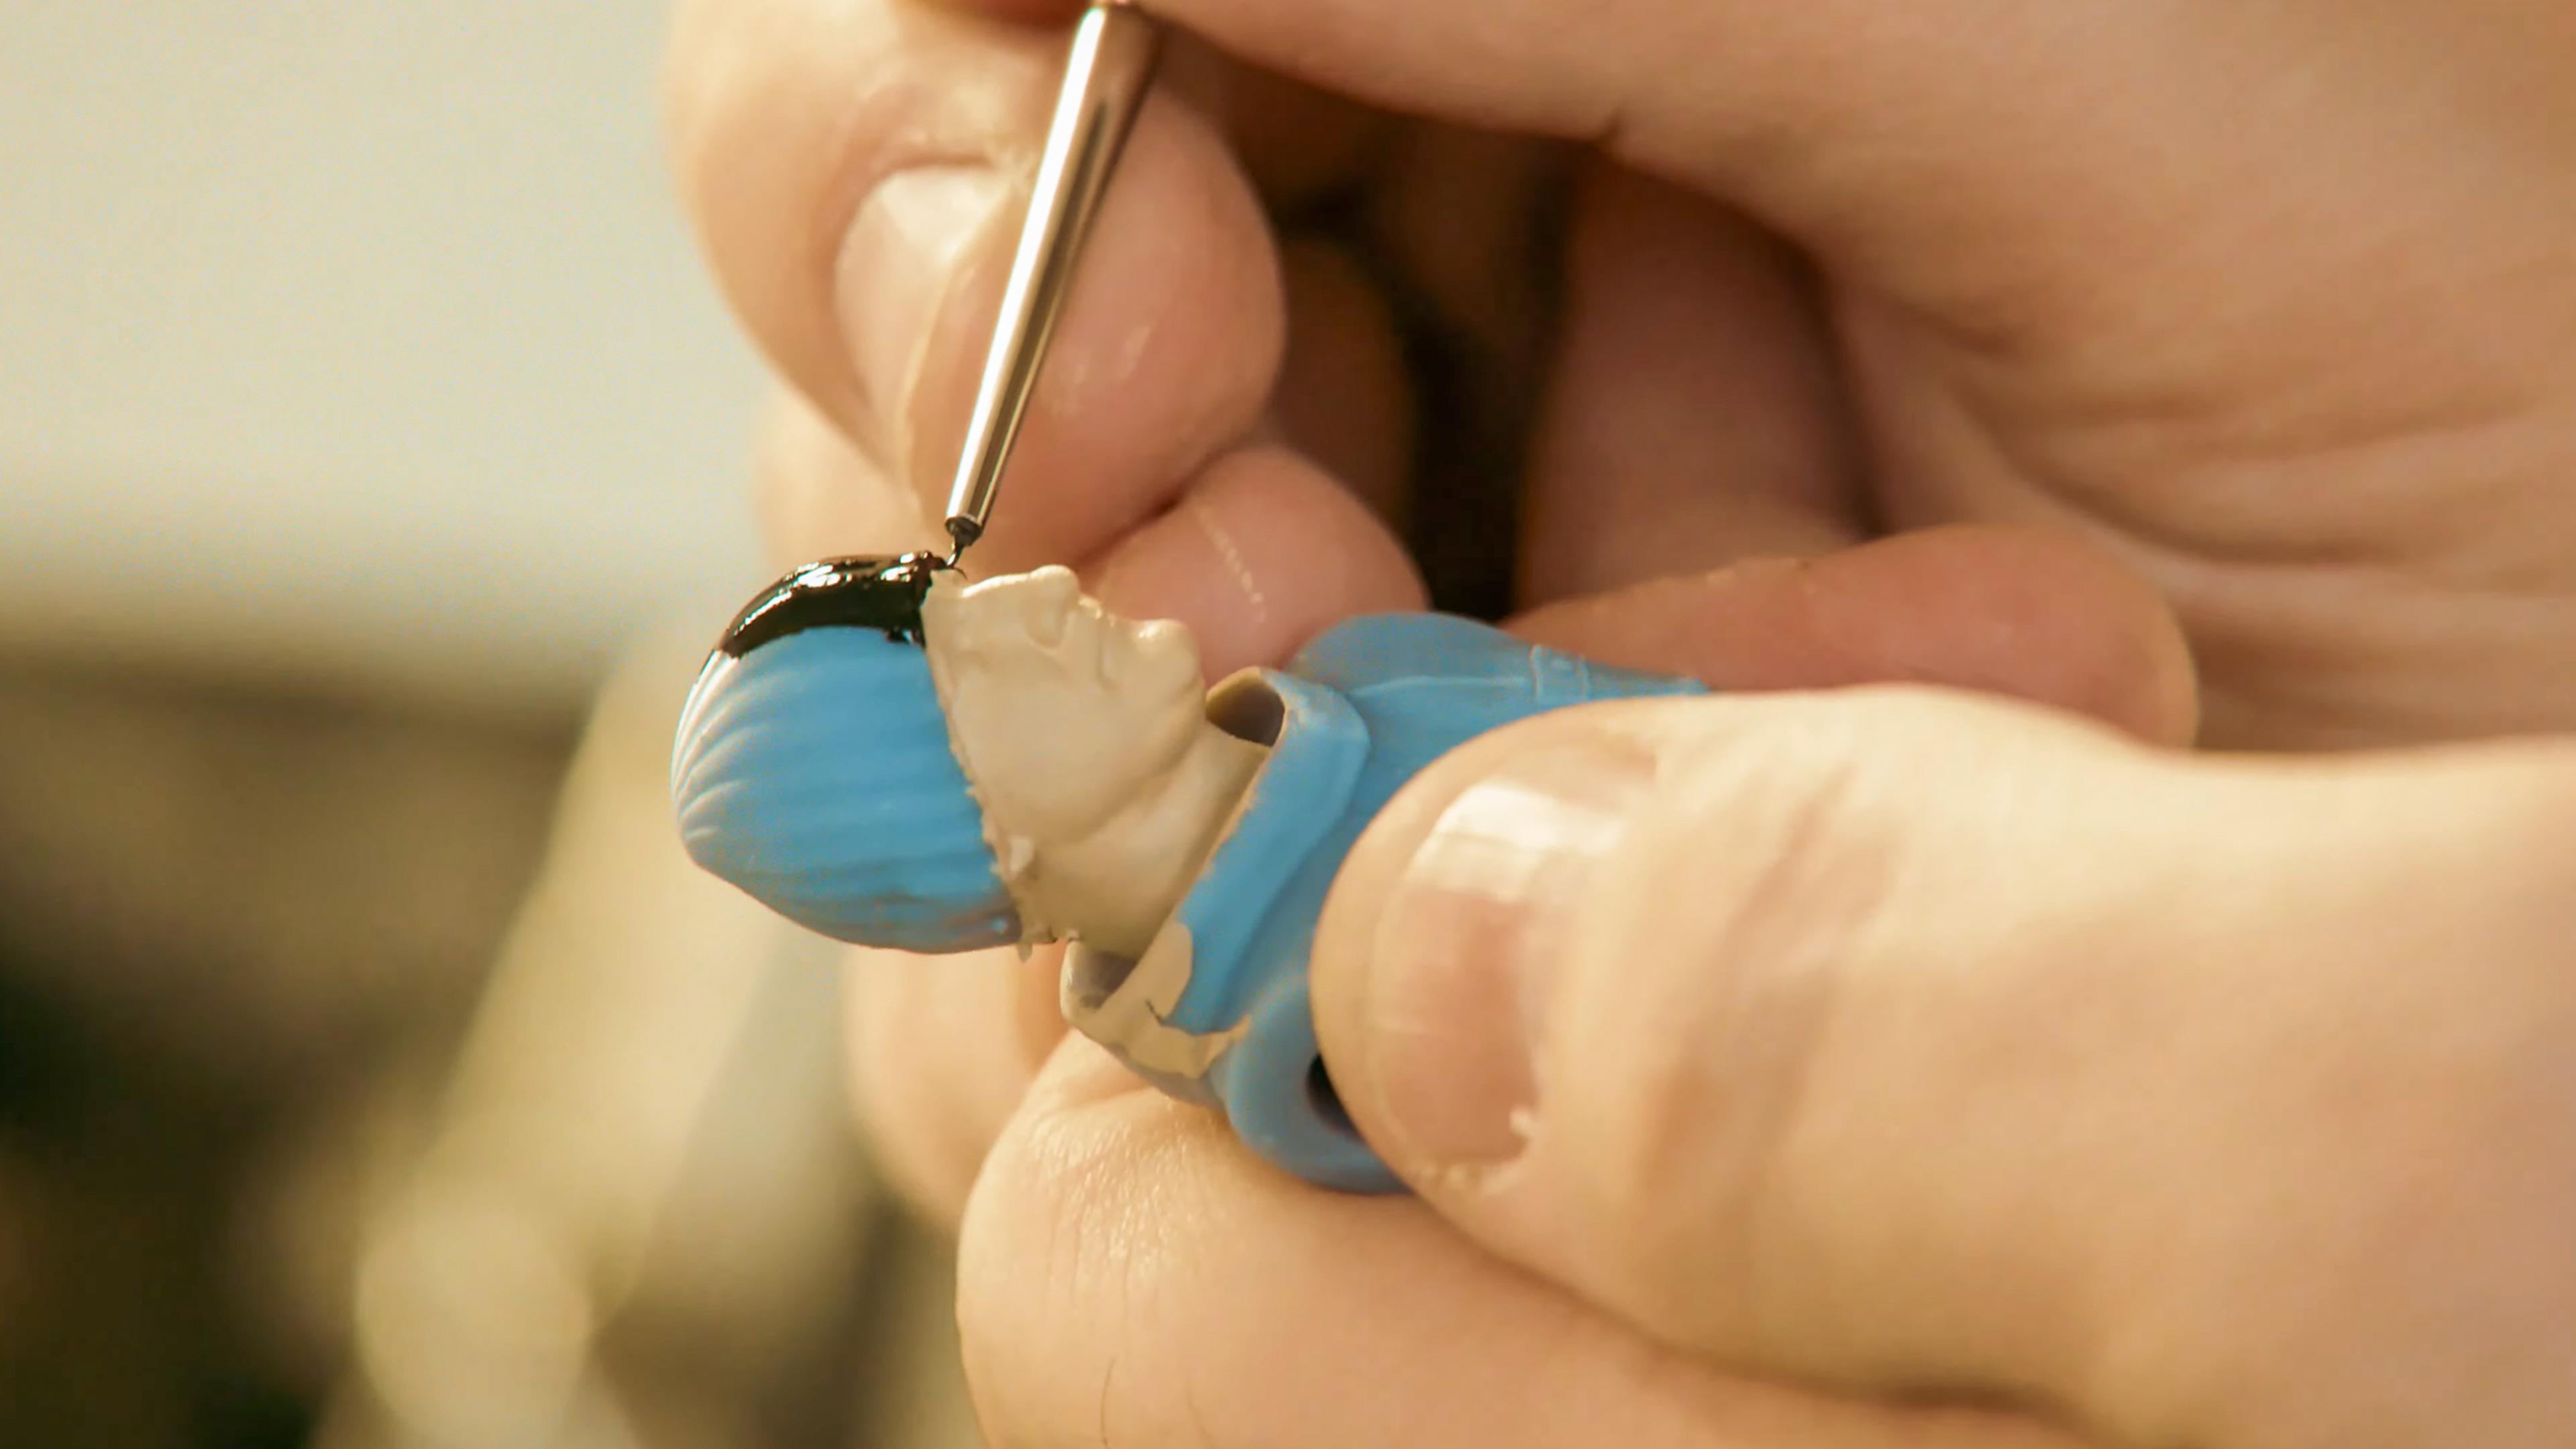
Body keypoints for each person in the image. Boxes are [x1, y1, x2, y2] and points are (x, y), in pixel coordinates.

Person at [662, 0, 2576, 1443]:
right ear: (985, 834)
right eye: (1003, 667)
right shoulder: (1283, 1022)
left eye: (1002, 602)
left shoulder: (1325, 689)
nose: (1054, 604)